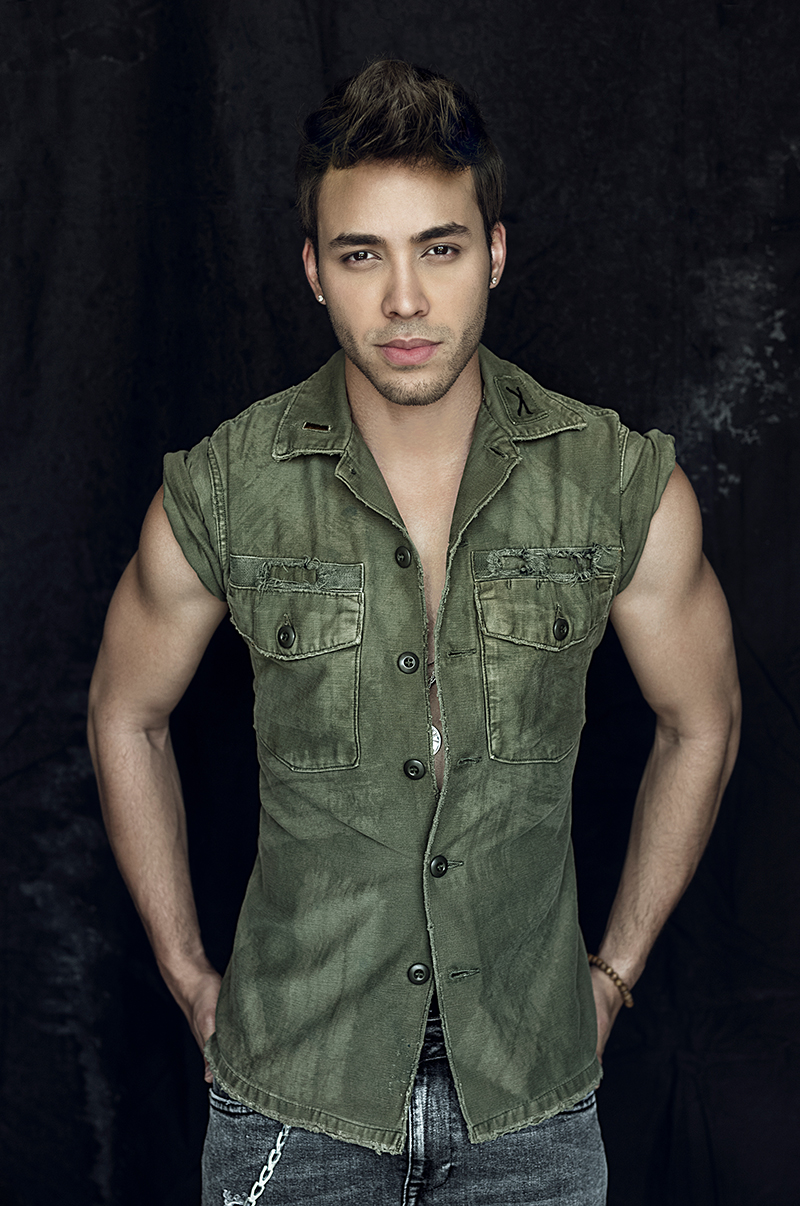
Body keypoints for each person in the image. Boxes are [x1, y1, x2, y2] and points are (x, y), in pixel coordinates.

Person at [87, 59, 741, 1205]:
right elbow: (124, 714)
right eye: (361, 256)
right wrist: (187, 974)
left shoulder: (610, 482)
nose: (402, 300)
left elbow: (702, 720)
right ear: (313, 272)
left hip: (530, 1106)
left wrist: (614, 973)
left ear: (492, 253)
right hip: (292, 1102)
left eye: (437, 249)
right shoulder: (228, 487)